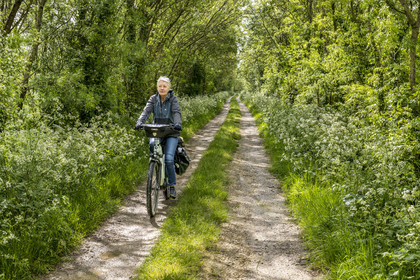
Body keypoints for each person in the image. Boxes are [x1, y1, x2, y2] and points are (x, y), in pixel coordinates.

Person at [134, 76, 182, 199]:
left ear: (169, 88)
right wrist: (139, 122)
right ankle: (155, 168)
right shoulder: (153, 99)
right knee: (153, 152)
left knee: (169, 159)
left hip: (171, 132)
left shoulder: (173, 99)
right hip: (157, 131)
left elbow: (176, 112)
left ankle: (171, 186)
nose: (162, 88)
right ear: (157, 87)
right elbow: (146, 111)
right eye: (160, 86)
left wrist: (177, 124)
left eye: (164, 86)